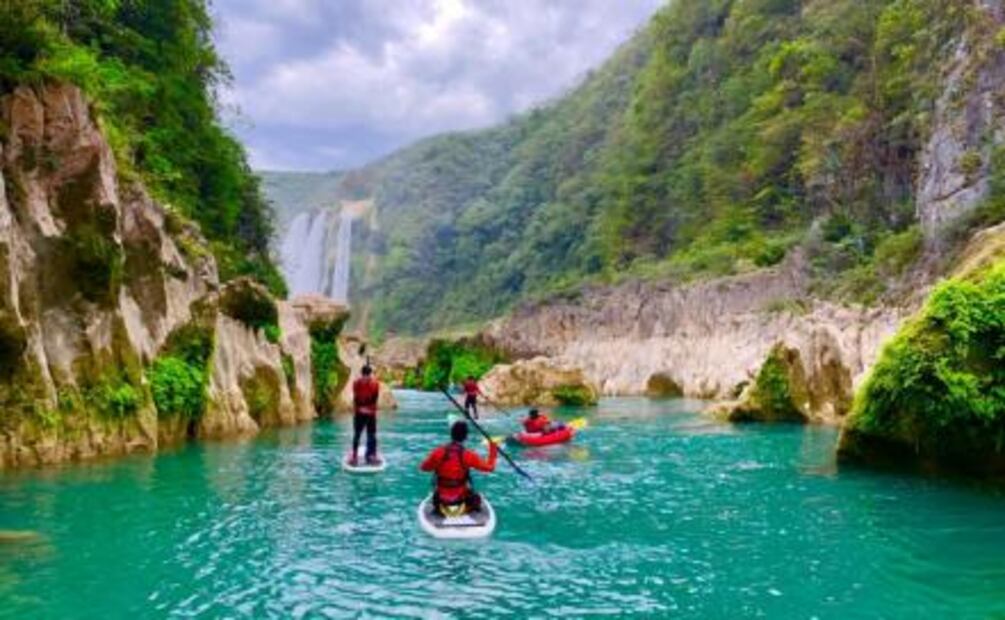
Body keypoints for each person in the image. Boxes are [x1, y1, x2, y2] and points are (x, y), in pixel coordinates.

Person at [420, 420, 498, 515]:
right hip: (461, 498)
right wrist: (493, 449)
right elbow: (490, 468)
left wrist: (437, 464)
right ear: (465, 437)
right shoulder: (469, 455)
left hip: (441, 499)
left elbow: (423, 468)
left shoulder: (438, 452)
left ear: (451, 434)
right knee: (475, 496)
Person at [350, 365, 381, 465]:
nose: (366, 378)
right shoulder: (356, 384)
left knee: (372, 434)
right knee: (357, 434)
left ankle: (371, 455)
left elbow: (374, 400)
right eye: (364, 376)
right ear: (362, 375)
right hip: (359, 412)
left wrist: (369, 410)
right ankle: (354, 456)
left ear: (370, 375)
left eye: (368, 376)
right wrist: (360, 409)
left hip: (371, 413)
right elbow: (356, 399)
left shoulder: (375, 384)